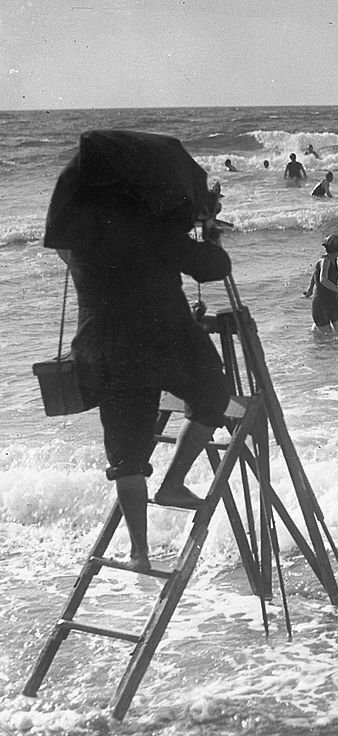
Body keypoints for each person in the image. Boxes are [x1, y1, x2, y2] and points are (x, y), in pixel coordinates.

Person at [45, 131, 233, 571]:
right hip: (162, 338)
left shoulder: (84, 236)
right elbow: (213, 267)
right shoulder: (153, 228)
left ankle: (139, 552)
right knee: (212, 394)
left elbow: (71, 256)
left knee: (126, 453)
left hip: (103, 345)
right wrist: (208, 230)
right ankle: (173, 482)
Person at [303, 233, 338, 336]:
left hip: (334, 301)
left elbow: (315, 273)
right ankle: (314, 334)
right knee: (327, 338)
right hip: (321, 304)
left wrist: (310, 289)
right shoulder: (325, 261)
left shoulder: (333, 260)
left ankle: (315, 331)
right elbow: (323, 279)